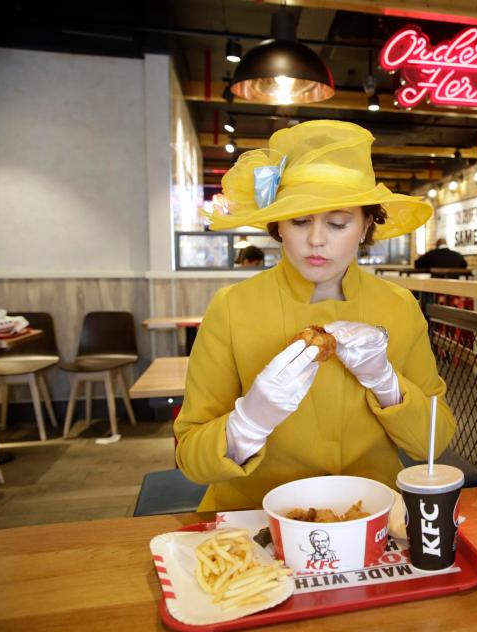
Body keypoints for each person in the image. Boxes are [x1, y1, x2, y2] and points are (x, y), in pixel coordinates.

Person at [174, 120, 457, 512]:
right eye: (300, 220)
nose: (317, 240)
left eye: (338, 223)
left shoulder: (399, 306)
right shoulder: (232, 307)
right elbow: (189, 457)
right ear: (277, 227)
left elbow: (436, 439)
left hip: (369, 518)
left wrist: (387, 383)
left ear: (365, 226)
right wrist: (248, 424)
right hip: (253, 519)